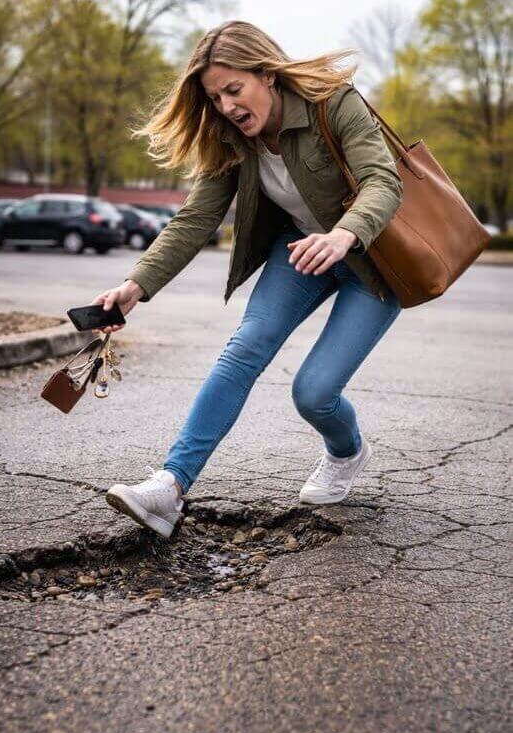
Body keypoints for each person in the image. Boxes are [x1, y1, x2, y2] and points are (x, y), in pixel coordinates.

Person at [91, 20, 403, 540]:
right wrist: (136, 285)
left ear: (267, 74)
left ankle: (347, 452)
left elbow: (383, 180)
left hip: (371, 259)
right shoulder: (231, 138)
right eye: (216, 98)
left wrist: (344, 235)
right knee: (245, 347)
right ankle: (170, 487)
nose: (227, 107)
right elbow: (196, 218)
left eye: (233, 90)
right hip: (301, 251)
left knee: (313, 393)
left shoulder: (334, 102)